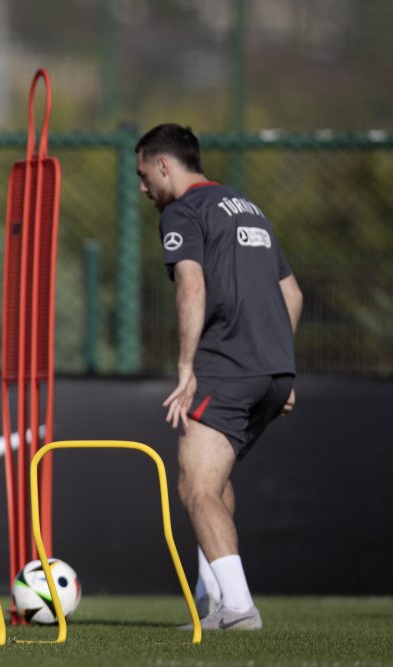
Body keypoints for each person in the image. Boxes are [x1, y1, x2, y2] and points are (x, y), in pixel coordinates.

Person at [135, 124, 303, 631]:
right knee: (216, 479)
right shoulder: (247, 207)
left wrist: (186, 367)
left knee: (196, 486)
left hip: (226, 367)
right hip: (272, 371)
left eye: (144, 175)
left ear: (165, 165)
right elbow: (292, 293)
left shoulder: (183, 211)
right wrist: (283, 365)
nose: (143, 188)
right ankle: (218, 603)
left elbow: (190, 286)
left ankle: (236, 608)